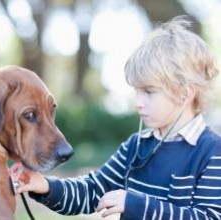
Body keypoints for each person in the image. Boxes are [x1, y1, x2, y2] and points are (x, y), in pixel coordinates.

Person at [11, 16, 221, 219]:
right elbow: (93, 190)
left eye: (149, 92)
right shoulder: (136, 146)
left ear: (185, 93)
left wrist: (134, 205)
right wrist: (44, 186)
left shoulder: (212, 152)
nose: (138, 101)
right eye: (137, 91)